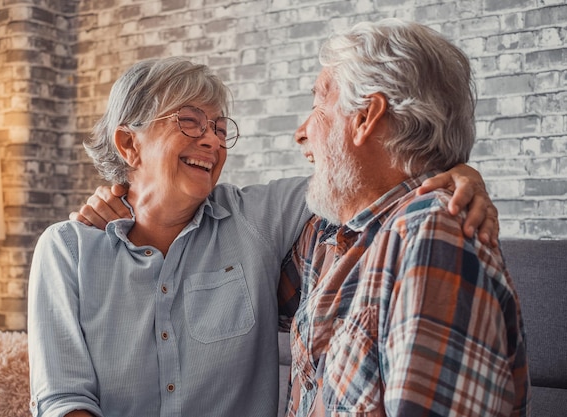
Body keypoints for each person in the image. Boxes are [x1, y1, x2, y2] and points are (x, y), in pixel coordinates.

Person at [50, 58, 497, 417]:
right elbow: (63, 399)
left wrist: (455, 170)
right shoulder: (67, 250)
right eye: (190, 122)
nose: (211, 140)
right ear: (129, 144)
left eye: (220, 129)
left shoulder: (258, 218)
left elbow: (366, 178)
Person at [276, 18, 530, 416]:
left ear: (365, 117)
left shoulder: (432, 234)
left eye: (316, 106)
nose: (301, 132)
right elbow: (234, 295)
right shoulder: (335, 237)